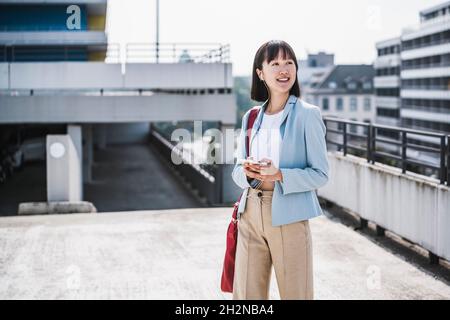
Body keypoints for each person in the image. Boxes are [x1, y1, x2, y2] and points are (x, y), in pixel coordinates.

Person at [231, 40, 329, 300]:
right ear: (261, 73)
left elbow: (321, 173)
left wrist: (280, 174)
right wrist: (248, 172)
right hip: (250, 212)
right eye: (274, 63)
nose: (283, 69)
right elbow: (237, 171)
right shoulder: (251, 116)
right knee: (247, 298)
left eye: (288, 62)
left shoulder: (308, 115)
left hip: (289, 215)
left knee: (296, 294)